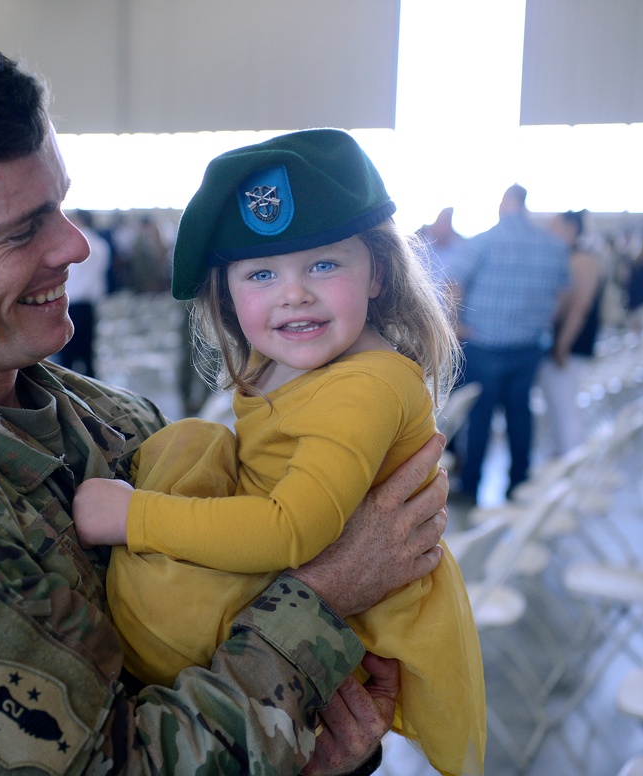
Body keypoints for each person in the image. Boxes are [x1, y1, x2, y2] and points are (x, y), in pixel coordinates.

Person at [0, 16, 450, 776]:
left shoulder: (92, 413)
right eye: (21, 232)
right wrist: (325, 600)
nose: (75, 246)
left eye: (60, 205)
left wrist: (326, 741)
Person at [73, 130, 485, 776]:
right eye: (261, 273)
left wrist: (134, 517)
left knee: (159, 589)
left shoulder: (366, 385)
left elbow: (290, 529)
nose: (293, 293)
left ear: (376, 271)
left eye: (323, 264)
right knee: (194, 442)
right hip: (295, 574)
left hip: (345, 604)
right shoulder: (288, 364)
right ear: (229, 297)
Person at [447, 184, 569, 504]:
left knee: (480, 418)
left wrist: (455, 325)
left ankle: (471, 486)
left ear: (506, 203)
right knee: (520, 415)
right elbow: (562, 294)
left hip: (484, 343)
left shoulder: (485, 241)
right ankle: (518, 485)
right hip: (529, 347)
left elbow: (452, 284)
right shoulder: (552, 246)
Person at [537, 210, 604, 457]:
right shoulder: (568, 257)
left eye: (555, 226)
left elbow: (579, 308)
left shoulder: (582, 260)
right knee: (555, 408)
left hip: (570, 346)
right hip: (559, 343)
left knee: (565, 408)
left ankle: (570, 464)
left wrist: (562, 345)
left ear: (571, 228)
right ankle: (562, 460)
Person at [56, 210, 111, 377]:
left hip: (71, 304)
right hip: (89, 305)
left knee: (67, 357)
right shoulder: (101, 244)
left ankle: (68, 396)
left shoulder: (71, 245)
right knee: (87, 354)